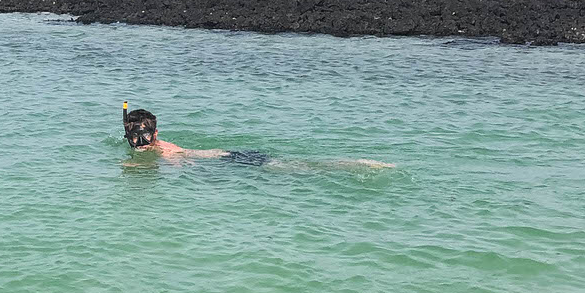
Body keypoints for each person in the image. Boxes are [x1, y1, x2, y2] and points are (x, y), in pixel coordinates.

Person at [121, 104, 391, 169]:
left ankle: (355, 164)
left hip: (231, 161)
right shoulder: (157, 147)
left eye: (143, 138)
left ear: (155, 135)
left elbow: (182, 165)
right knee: (295, 165)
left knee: (299, 168)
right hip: (228, 158)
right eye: (134, 139)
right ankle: (354, 163)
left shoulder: (163, 152)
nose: (139, 144)